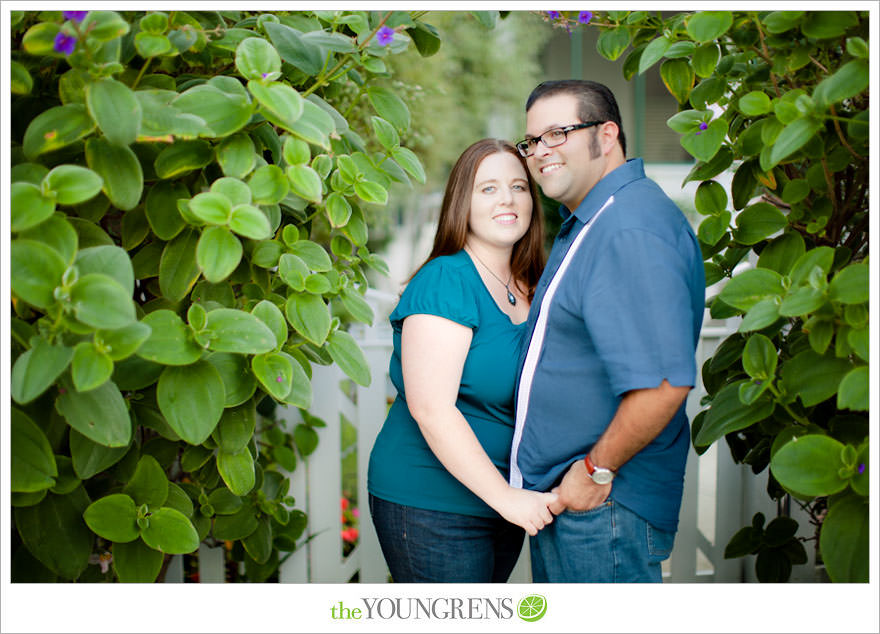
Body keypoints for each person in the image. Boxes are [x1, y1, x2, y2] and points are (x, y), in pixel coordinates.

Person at [509, 80, 706, 583]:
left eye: (558, 133)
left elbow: (663, 384)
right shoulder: (595, 220)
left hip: (603, 505)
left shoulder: (628, 227)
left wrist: (594, 470)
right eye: (532, 141)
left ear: (607, 134)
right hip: (582, 504)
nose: (540, 152)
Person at [367, 139, 558, 583]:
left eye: (519, 186)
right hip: (431, 501)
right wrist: (508, 499)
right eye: (487, 188)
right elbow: (431, 409)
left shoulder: (534, 285)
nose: (508, 199)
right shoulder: (446, 280)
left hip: (500, 499)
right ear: (462, 202)